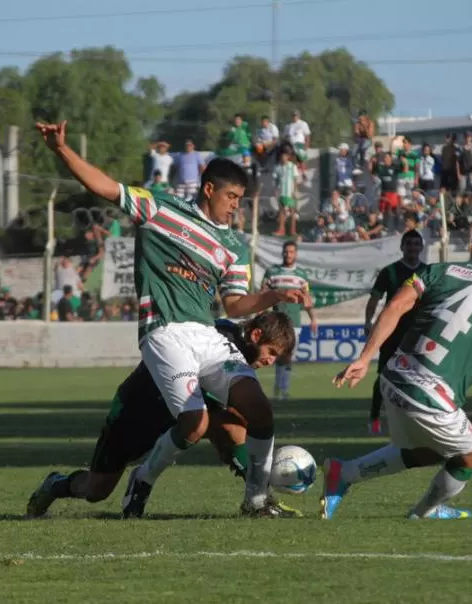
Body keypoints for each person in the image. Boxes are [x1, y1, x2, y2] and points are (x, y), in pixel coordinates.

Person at [35, 120, 305, 518]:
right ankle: (117, 480)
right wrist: (61, 149)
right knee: (108, 482)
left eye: (241, 199)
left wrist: (272, 296)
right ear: (209, 188)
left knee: (260, 412)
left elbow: (233, 306)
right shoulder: (160, 208)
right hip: (164, 334)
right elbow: (105, 187)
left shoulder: (232, 246)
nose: (236, 205)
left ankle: (256, 500)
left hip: (205, 335)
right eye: (231, 196)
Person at [323, 223, 472, 521]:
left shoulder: (437, 271)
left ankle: (343, 473)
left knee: (433, 449)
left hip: (393, 377)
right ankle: (425, 512)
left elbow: (396, 305)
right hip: (430, 395)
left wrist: (364, 358)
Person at [25, 313, 298, 518]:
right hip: (138, 409)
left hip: (184, 412)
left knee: (231, 427)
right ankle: (55, 484)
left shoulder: (238, 358)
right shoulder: (217, 338)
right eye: (271, 353)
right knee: (96, 490)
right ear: (255, 335)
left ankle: (257, 498)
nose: (270, 361)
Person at [363, 230, 427, 435]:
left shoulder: (428, 272)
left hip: (418, 334)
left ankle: (412, 419)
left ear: (421, 248)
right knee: (385, 375)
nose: (413, 248)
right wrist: (368, 321)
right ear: (402, 247)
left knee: (419, 377)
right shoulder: (389, 271)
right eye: (409, 244)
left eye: (417, 244)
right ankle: (374, 416)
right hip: (392, 333)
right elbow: (374, 299)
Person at [262, 241, 317, 400]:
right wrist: (261, 315)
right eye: (286, 251)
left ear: (296, 254)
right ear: (282, 252)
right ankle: (279, 390)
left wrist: (313, 318)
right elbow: (262, 295)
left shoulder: (301, 275)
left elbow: (306, 300)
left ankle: (283, 390)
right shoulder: (272, 272)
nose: (288, 254)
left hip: (295, 322)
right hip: (277, 321)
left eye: (291, 252)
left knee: (288, 356)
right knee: (277, 354)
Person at [273, 149, 300, 237]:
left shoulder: (292, 166)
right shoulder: (277, 167)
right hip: (281, 192)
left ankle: (293, 231)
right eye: (282, 155)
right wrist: (275, 190)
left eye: (285, 155)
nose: (283, 157)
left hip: (290, 192)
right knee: (281, 211)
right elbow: (275, 180)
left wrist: (295, 191)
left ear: (288, 157)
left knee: (292, 212)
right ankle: (281, 230)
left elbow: (295, 179)